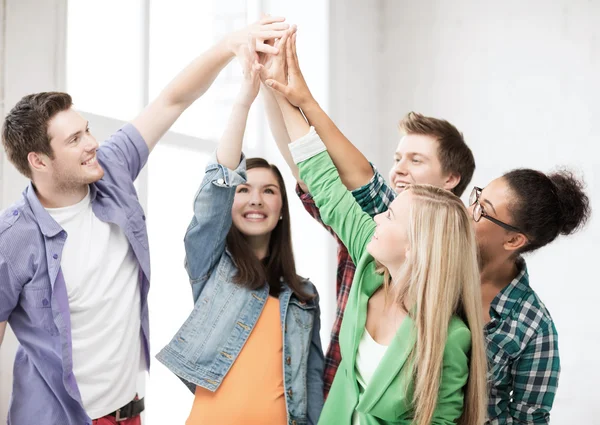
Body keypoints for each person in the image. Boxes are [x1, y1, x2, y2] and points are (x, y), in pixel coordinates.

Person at [0, 17, 290, 425]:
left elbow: (173, 99)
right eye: (75, 140)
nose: (92, 143)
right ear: (38, 161)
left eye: (85, 130)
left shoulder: (111, 168)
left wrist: (230, 44)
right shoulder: (13, 238)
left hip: (129, 414)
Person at [263, 30, 488, 425]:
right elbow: (323, 181)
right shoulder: (370, 259)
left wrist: (301, 100)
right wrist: (279, 90)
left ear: (416, 246)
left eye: (391, 215)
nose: (379, 215)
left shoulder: (451, 337)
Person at [155, 44, 324, 425]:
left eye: (269, 191)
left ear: (282, 209)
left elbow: (312, 384)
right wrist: (244, 102)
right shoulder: (211, 266)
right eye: (244, 189)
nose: (255, 199)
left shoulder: (305, 296)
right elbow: (216, 187)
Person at [469, 169, 590, 424]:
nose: (470, 212)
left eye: (483, 210)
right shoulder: (438, 261)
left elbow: (528, 420)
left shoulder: (535, 328)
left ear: (513, 240)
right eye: (476, 198)